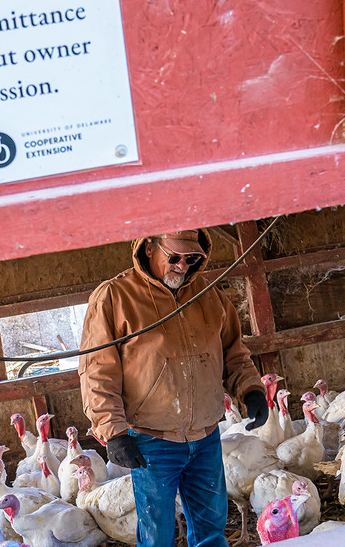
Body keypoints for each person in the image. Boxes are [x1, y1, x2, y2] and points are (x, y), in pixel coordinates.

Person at [78, 229, 269, 547]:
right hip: (152, 439)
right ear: (149, 247)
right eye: (175, 257)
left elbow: (233, 351)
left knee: (211, 531)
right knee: (158, 537)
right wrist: (113, 431)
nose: (183, 265)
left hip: (206, 435)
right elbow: (97, 370)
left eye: (192, 258)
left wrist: (251, 390)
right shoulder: (115, 297)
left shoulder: (207, 294)